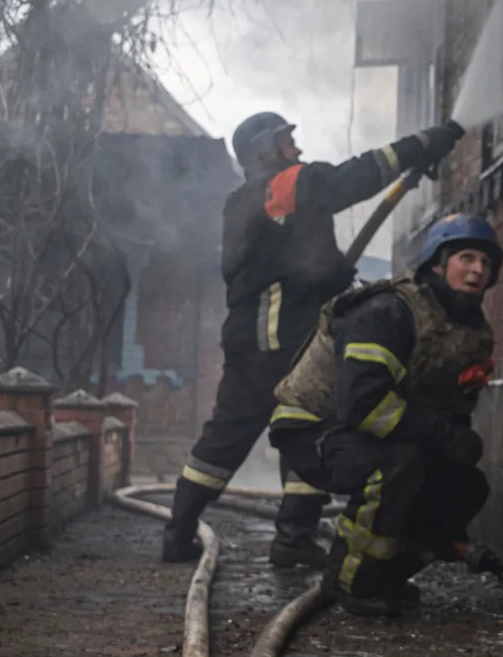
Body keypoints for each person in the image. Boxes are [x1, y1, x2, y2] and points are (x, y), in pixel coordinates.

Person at [161, 110, 464, 564]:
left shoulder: (248, 199)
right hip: (279, 339)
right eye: (287, 142)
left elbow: (293, 256)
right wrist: (424, 142)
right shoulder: (284, 184)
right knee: (304, 424)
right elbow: (356, 176)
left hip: (259, 338)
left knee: (252, 434)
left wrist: (330, 273)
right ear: (266, 150)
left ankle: (191, 532)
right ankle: (290, 539)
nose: (297, 150)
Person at [268, 214, 502, 615]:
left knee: (466, 486)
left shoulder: (466, 330)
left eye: (486, 262)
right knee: (398, 465)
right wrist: (443, 437)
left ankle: (384, 576)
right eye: (466, 257)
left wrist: (454, 448)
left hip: (374, 431)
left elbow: (444, 405)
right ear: (437, 262)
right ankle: (349, 581)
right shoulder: (387, 313)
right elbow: (363, 405)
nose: (478, 269)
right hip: (312, 427)